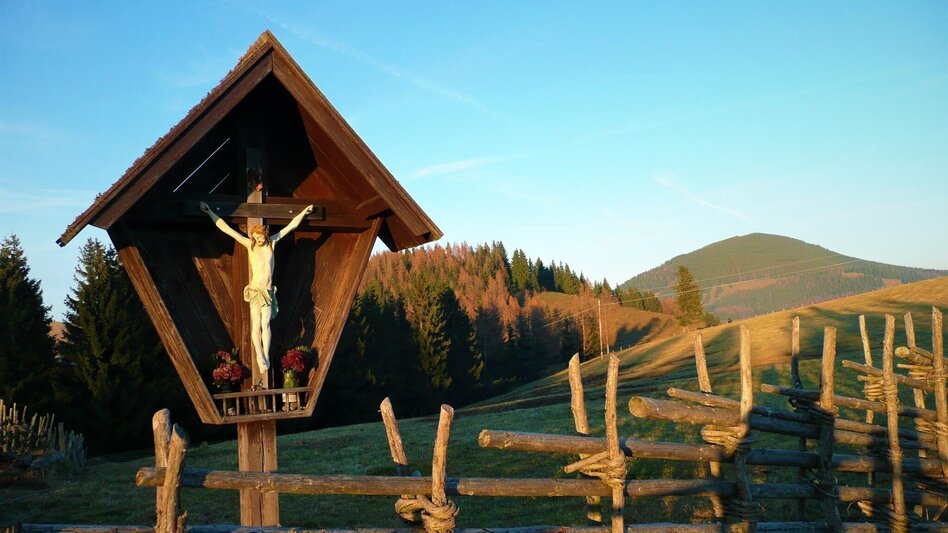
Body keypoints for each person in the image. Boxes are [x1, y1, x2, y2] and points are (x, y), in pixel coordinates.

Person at [199, 201, 314, 376]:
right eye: (256, 238)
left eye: (261, 238)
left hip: (267, 292)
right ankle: (259, 354)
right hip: (254, 291)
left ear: (265, 235)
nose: (259, 240)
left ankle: (265, 355)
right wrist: (209, 212)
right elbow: (227, 229)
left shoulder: (272, 243)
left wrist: (304, 212)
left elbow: (291, 226)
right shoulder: (250, 245)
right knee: (256, 325)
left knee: (265, 324)